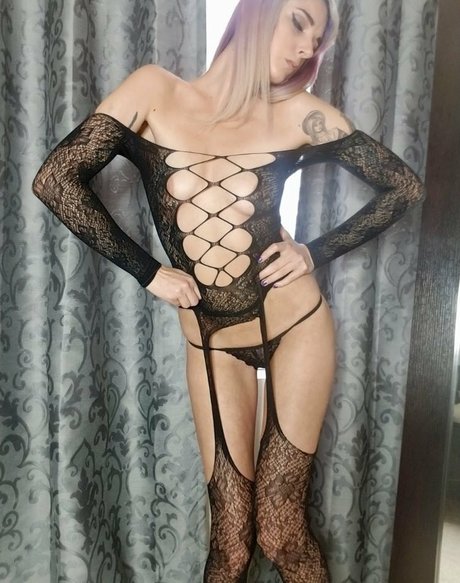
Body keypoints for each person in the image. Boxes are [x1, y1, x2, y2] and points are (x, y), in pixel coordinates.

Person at [32, 0, 425, 581]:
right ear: (258, 11)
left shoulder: (300, 114)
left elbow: (403, 187)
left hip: (295, 326)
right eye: (299, 22)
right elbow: (56, 179)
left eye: (317, 41)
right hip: (212, 342)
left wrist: (311, 252)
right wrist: (148, 271)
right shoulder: (153, 91)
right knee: (232, 544)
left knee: (281, 532)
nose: (306, 48)